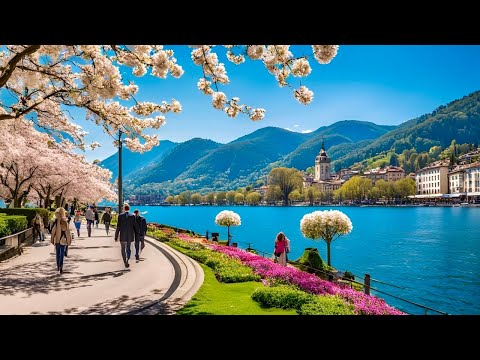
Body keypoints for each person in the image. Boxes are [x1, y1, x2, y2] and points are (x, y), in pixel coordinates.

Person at [115, 203, 139, 268]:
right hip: (129, 236)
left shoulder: (120, 216)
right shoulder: (132, 216)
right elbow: (135, 227)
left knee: (123, 249)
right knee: (128, 249)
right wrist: (137, 235)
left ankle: (125, 262)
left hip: (122, 236)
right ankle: (128, 259)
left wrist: (116, 237)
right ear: (129, 208)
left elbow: (118, 227)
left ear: (123, 208)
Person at [50, 207, 72, 274]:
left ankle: (58, 265)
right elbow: (67, 232)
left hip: (57, 239)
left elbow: (53, 231)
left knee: (57, 253)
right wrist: (69, 240)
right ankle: (61, 265)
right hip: (63, 239)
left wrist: (52, 239)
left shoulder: (55, 221)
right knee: (62, 253)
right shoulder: (65, 221)